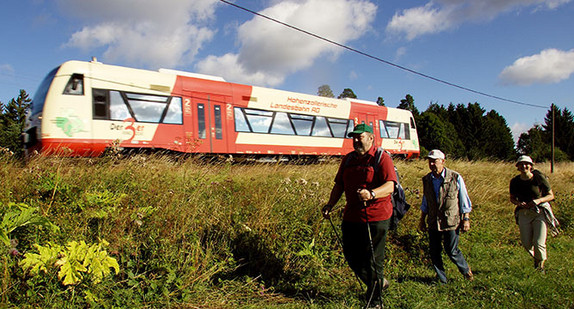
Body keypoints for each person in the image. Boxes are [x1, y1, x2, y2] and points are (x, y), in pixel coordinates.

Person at [322, 123, 396, 309]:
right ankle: (379, 283)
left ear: (371, 138)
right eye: (353, 137)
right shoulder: (348, 160)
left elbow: (390, 185)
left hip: (377, 216)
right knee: (351, 255)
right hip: (352, 216)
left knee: (373, 259)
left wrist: (372, 194)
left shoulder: (381, 157)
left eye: (359, 136)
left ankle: (375, 302)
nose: (355, 140)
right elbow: (339, 185)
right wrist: (330, 204)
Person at [418, 149, 473, 283]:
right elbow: (426, 201)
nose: (432, 164)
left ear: (443, 162)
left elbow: (464, 200)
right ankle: (441, 279)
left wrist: (466, 219)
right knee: (434, 251)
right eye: (430, 161)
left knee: (451, 250)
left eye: (435, 161)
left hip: (451, 220)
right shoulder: (426, 179)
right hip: (433, 221)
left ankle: (466, 271)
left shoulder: (455, 177)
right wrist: (422, 220)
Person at [509, 155, 557, 271]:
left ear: (531, 166)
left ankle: (540, 266)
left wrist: (538, 200)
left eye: (526, 164)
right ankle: (537, 258)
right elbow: (512, 198)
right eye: (521, 164)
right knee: (526, 243)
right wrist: (519, 203)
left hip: (540, 212)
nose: (524, 166)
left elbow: (551, 195)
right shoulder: (515, 181)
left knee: (539, 242)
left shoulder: (538, 178)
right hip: (524, 213)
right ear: (517, 167)